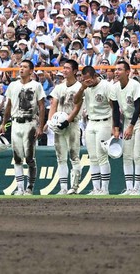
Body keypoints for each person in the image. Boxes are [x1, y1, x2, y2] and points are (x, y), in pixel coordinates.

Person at [1, 60, 46, 195]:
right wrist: (4, 123)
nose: (21, 69)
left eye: (25, 67)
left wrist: (40, 126)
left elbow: (42, 106)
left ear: (31, 71)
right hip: (15, 122)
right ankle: (20, 187)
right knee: (17, 157)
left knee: (29, 157)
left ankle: (30, 186)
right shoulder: (12, 85)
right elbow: (8, 105)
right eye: (20, 66)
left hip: (30, 122)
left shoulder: (36, 85)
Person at [73, 65, 118, 195]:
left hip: (104, 121)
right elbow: (75, 101)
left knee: (102, 156)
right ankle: (96, 188)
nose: (87, 82)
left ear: (95, 76)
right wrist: (82, 87)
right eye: (84, 79)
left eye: (89, 79)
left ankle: (105, 188)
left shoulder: (106, 86)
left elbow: (114, 107)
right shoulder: (84, 87)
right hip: (91, 122)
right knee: (92, 157)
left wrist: (114, 127)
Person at [46, 59, 83, 194]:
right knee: (60, 157)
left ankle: (74, 187)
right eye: (64, 67)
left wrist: (67, 120)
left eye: (68, 68)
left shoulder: (79, 87)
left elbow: (78, 106)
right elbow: (53, 104)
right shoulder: (59, 87)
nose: (64, 70)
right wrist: (50, 121)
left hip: (72, 124)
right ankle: (63, 188)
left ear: (74, 71)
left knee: (74, 155)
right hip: (58, 125)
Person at [113, 60, 140, 195]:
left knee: (137, 156)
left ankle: (137, 188)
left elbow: (138, 107)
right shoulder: (115, 87)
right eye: (115, 70)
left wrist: (131, 126)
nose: (116, 72)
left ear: (127, 72)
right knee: (127, 156)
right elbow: (115, 109)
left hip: (138, 121)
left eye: (119, 69)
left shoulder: (135, 85)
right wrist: (116, 128)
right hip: (126, 121)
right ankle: (129, 187)